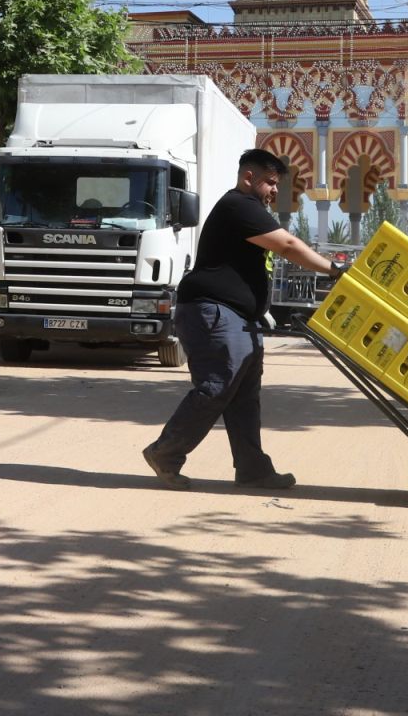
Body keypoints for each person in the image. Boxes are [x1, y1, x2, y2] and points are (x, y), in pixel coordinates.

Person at [141, 147, 338, 491]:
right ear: (249, 177)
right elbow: (288, 245)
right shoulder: (239, 206)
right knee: (218, 385)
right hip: (213, 311)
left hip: (237, 317)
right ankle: (165, 453)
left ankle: (253, 469)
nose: (275, 191)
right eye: (270, 183)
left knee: (245, 394)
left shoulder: (250, 209)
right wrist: (334, 270)